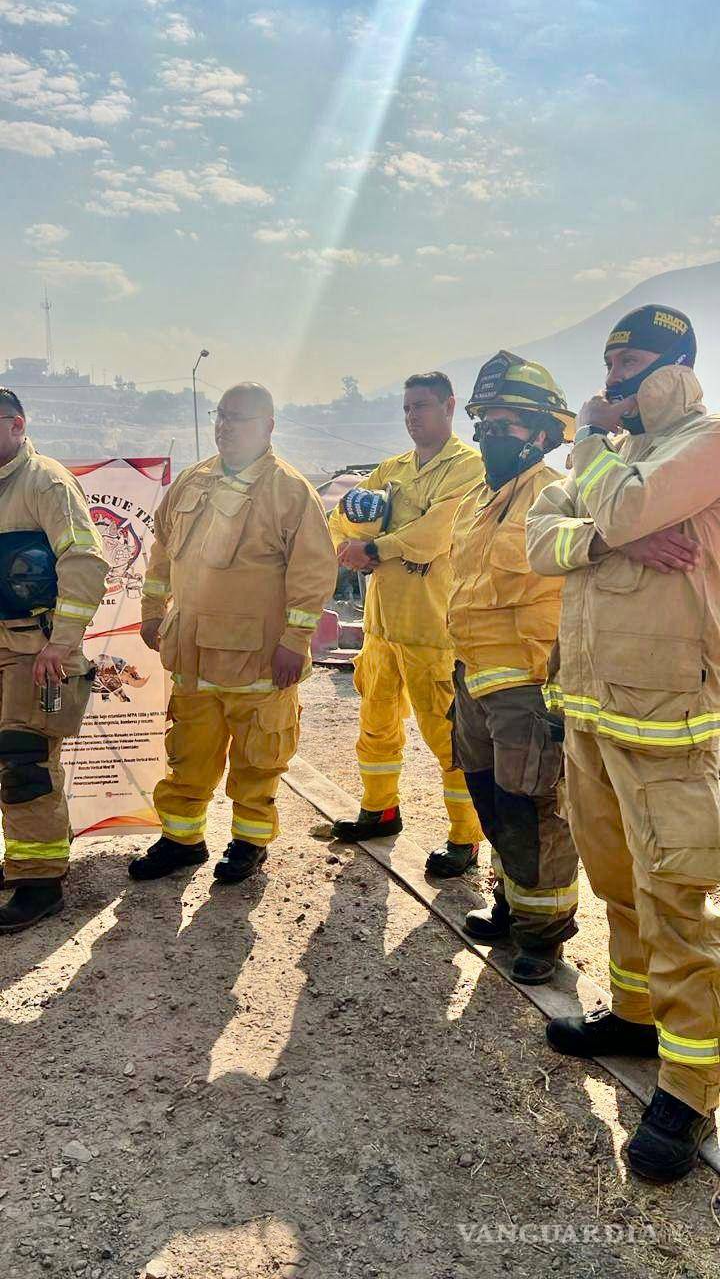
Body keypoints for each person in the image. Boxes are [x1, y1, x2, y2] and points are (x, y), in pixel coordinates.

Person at [526, 304, 720, 1181]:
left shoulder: (702, 441)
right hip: (594, 715)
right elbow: (542, 540)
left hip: (672, 721)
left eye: (629, 362)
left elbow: (636, 500)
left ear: (671, 365)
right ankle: (636, 1017)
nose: (610, 378)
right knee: (617, 884)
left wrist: (599, 455)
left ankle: (690, 1087)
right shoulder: (616, 456)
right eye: (605, 363)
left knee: (677, 898)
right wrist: (612, 538)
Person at [132, 382, 337, 884]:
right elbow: (162, 550)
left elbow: (312, 574)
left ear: (267, 426)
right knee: (188, 754)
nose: (225, 426)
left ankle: (249, 843)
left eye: (238, 418)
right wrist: (153, 608)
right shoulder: (192, 481)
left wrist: (295, 642)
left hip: (260, 658)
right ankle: (182, 840)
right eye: (221, 416)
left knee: (257, 758)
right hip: (193, 653)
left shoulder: (289, 491)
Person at [448, 353, 579, 984]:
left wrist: (555, 692)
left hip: (527, 685)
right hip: (474, 677)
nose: (490, 435)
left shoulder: (555, 494)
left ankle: (543, 934)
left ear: (543, 431)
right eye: (485, 422)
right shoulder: (485, 498)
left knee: (533, 809)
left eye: (505, 423)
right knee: (493, 800)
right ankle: (509, 903)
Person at [328, 371, 485, 875]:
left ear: (449, 406)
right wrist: (355, 540)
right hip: (381, 626)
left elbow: (438, 532)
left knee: (450, 738)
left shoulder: (468, 467)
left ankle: (465, 837)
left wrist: (375, 546)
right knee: (375, 723)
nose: (412, 416)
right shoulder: (392, 468)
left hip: (432, 629)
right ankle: (380, 810)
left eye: (421, 405)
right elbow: (341, 516)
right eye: (406, 408)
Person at [0, 388, 108, 932]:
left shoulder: (46, 482)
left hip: (35, 648)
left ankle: (39, 883)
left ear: (17, 425)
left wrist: (62, 642)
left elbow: (85, 558)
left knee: (25, 760)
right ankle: (27, 856)